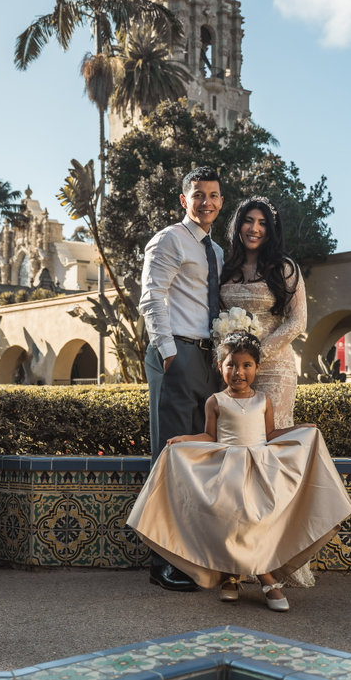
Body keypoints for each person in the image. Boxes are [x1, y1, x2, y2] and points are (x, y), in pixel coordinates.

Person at [127, 331, 351, 612]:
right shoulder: (215, 401)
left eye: (246, 365)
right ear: (220, 367)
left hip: (259, 468)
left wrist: (300, 430)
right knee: (230, 522)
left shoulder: (263, 401)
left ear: (256, 368)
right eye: (231, 365)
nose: (239, 372)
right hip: (228, 471)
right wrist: (184, 440)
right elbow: (211, 436)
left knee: (256, 521)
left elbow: (270, 433)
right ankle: (236, 578)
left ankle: (262, 576)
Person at [138, 164, 224, 591]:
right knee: (169, 459)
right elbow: (152, 296)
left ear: (220, 202)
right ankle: (162, 561)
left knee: (198, 460)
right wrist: (169, 354)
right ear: (183, 199)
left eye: (212, 195)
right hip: (178, 355)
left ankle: (191, 556)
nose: (205, 201)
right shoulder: (169, 239)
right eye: (198, 194)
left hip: (208, 360)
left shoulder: (218, 251)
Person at [220, 197, 306, 430]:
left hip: (274, 369)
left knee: (270, 438)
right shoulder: (225, 269)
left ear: (271, 230)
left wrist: (257, 356)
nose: (255, 228)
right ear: (238, 226)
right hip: (233, 370)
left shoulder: (285, 268)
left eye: (262, 223)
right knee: (237, 437)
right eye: (248, 221)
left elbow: (298, 321)